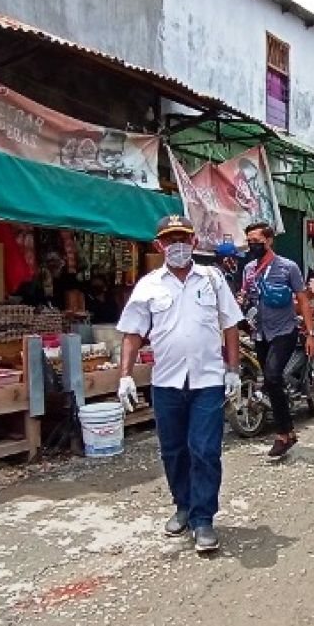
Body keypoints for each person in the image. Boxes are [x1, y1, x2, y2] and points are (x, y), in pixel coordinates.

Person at [116, 215, 244, 552]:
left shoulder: (212, 279)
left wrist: (233, 369)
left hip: (208, 381)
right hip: (167, 382)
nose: (177, 245)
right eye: (170, 239)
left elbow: (230, 325)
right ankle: (183, 506)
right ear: (158, 245)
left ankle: (204, 519)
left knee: (205, 450)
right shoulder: (148, 286)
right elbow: (132, 334)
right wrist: (125, 375)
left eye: (183, 239)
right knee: (173, 450)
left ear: (194, 243)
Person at [240, 222, 314, 460]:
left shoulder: (287, 267)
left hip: (284, 330)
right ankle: (287, 430)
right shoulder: (249, 269)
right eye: (249, 241)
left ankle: (284, 433)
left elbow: (303, 300)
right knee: (270, 380)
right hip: (260, 331)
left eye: (257, 241)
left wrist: (311, 332)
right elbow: (246, 296)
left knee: (273, 376)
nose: (252, 245)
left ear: (269, 240)